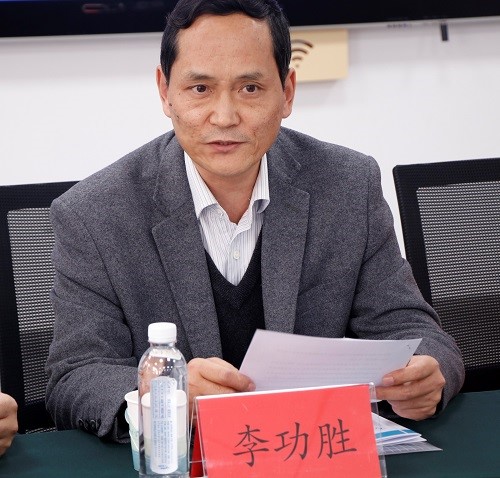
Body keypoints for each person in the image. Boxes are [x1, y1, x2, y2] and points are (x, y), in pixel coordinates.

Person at [45, 0, 465, 442]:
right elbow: (75, 376)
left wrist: (427, 374)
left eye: (250, 88)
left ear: (287, 93)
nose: (225, 117)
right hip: (182, 459)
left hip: (312, 449)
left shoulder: (347, 185)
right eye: (200, 88)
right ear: (165, 92)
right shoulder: (93, 214)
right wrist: (165, 394)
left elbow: (413, 330)